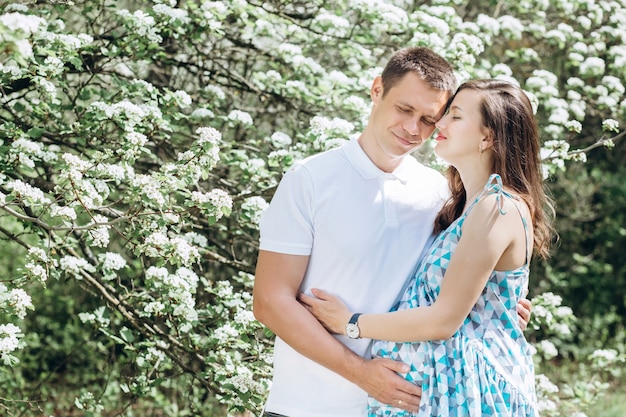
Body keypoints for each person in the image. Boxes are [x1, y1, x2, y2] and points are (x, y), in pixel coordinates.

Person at [253, 48, 532, 417]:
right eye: (404, 109)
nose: (413, 128)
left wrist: (496, 306)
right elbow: (270, 302)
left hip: (405, 405)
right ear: (376, 89)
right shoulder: (310, 179)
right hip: (308, 404)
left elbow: (458, 292)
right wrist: (362, 373)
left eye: (430, 119)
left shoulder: (443, 195)